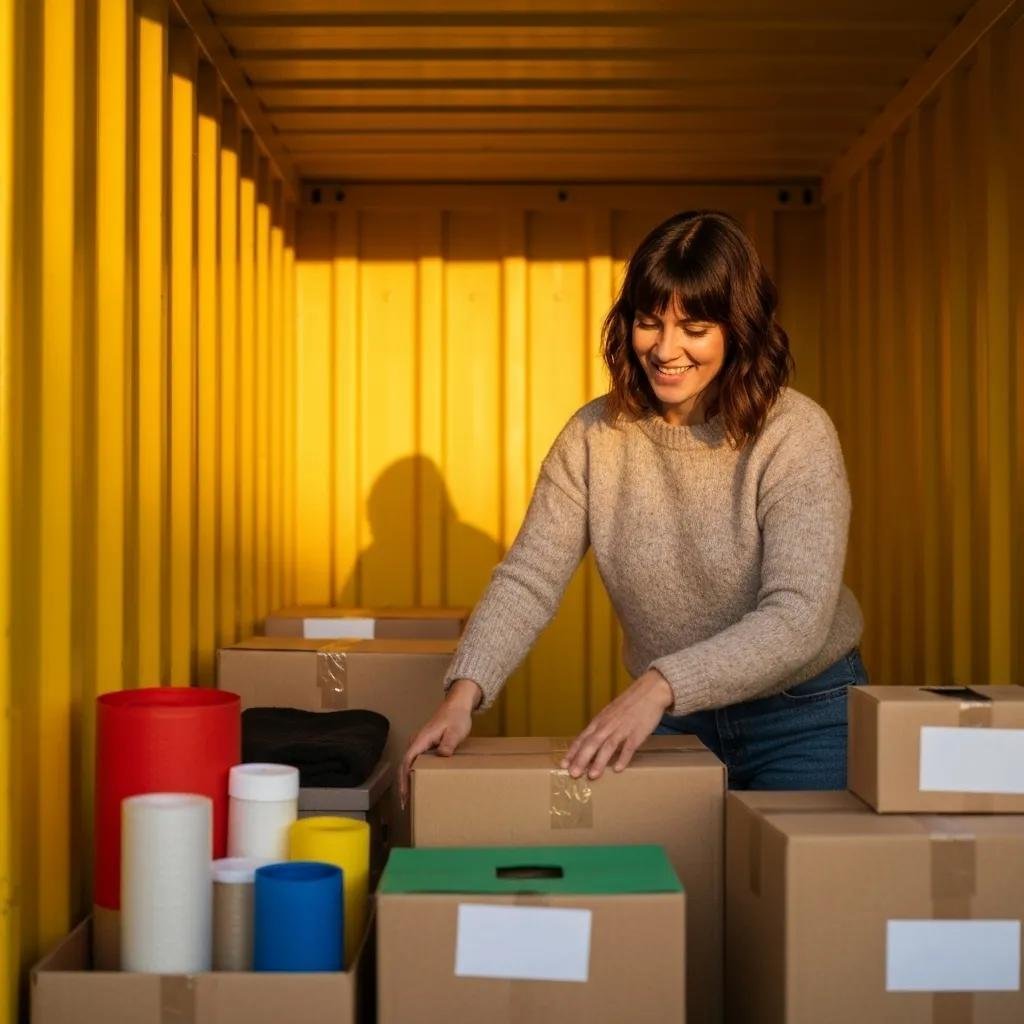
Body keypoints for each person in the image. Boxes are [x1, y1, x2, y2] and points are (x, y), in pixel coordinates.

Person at [401, 209, 866, 803]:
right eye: (649, 323)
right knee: (675, 893)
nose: (665, 349)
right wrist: (462, 695)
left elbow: (797, 616)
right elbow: (529, 578)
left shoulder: (795, 434)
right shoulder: (596, 434)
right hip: (678, 722)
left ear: (739, 329)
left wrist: (659, 685)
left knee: (799, 895)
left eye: (694, 328)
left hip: (805, 715)